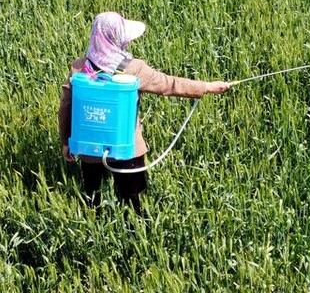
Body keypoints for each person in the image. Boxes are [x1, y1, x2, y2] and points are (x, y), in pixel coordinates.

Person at [58, 12, 230, 214]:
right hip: (127, 149)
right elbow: (169, 84)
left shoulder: (79, 69)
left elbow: (65, 108)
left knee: (91, 197)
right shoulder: (133, 69)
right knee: (134, 202)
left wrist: (65, 142)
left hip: (89, 149)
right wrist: (206, 87)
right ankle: (136, 234)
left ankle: (94, 228)